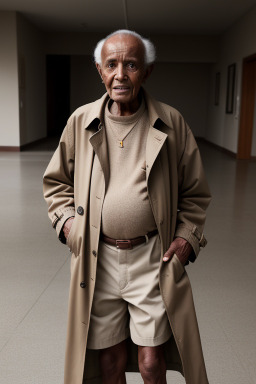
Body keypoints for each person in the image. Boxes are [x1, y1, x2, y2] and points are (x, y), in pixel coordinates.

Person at [43, 29, 211, 384]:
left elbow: (196, 193)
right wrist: (69, 227)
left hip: (152, 257)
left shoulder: (172, 123)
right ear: (100, 70)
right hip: (97, 259)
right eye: (112, 64)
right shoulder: (81, 121)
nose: (121, 74)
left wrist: (186, 239)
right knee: (109, 361)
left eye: (131, 64)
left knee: (151, 361)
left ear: (146, 70)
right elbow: (56, 184)